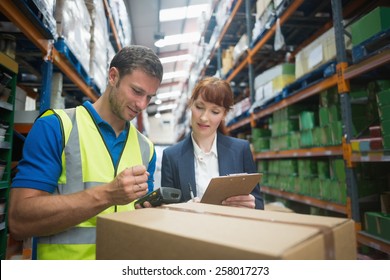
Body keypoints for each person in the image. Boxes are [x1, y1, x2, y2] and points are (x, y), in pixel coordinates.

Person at [8, 45, 163, 260]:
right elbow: (18, 221)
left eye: (150, 97)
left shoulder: (147, 148)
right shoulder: (57, 127)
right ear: (113, 76)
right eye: (137, 91)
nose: (141, 105)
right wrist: (108, 195)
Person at [161, 77, 264, 209]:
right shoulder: (171, 156)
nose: (204, 117)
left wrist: (252, 204)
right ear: (191, 104)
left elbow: (259, 205)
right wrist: (183, 208)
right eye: (199, 107)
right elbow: (166, 209)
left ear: (224, 114)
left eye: (214, 112)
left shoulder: (240, 150)